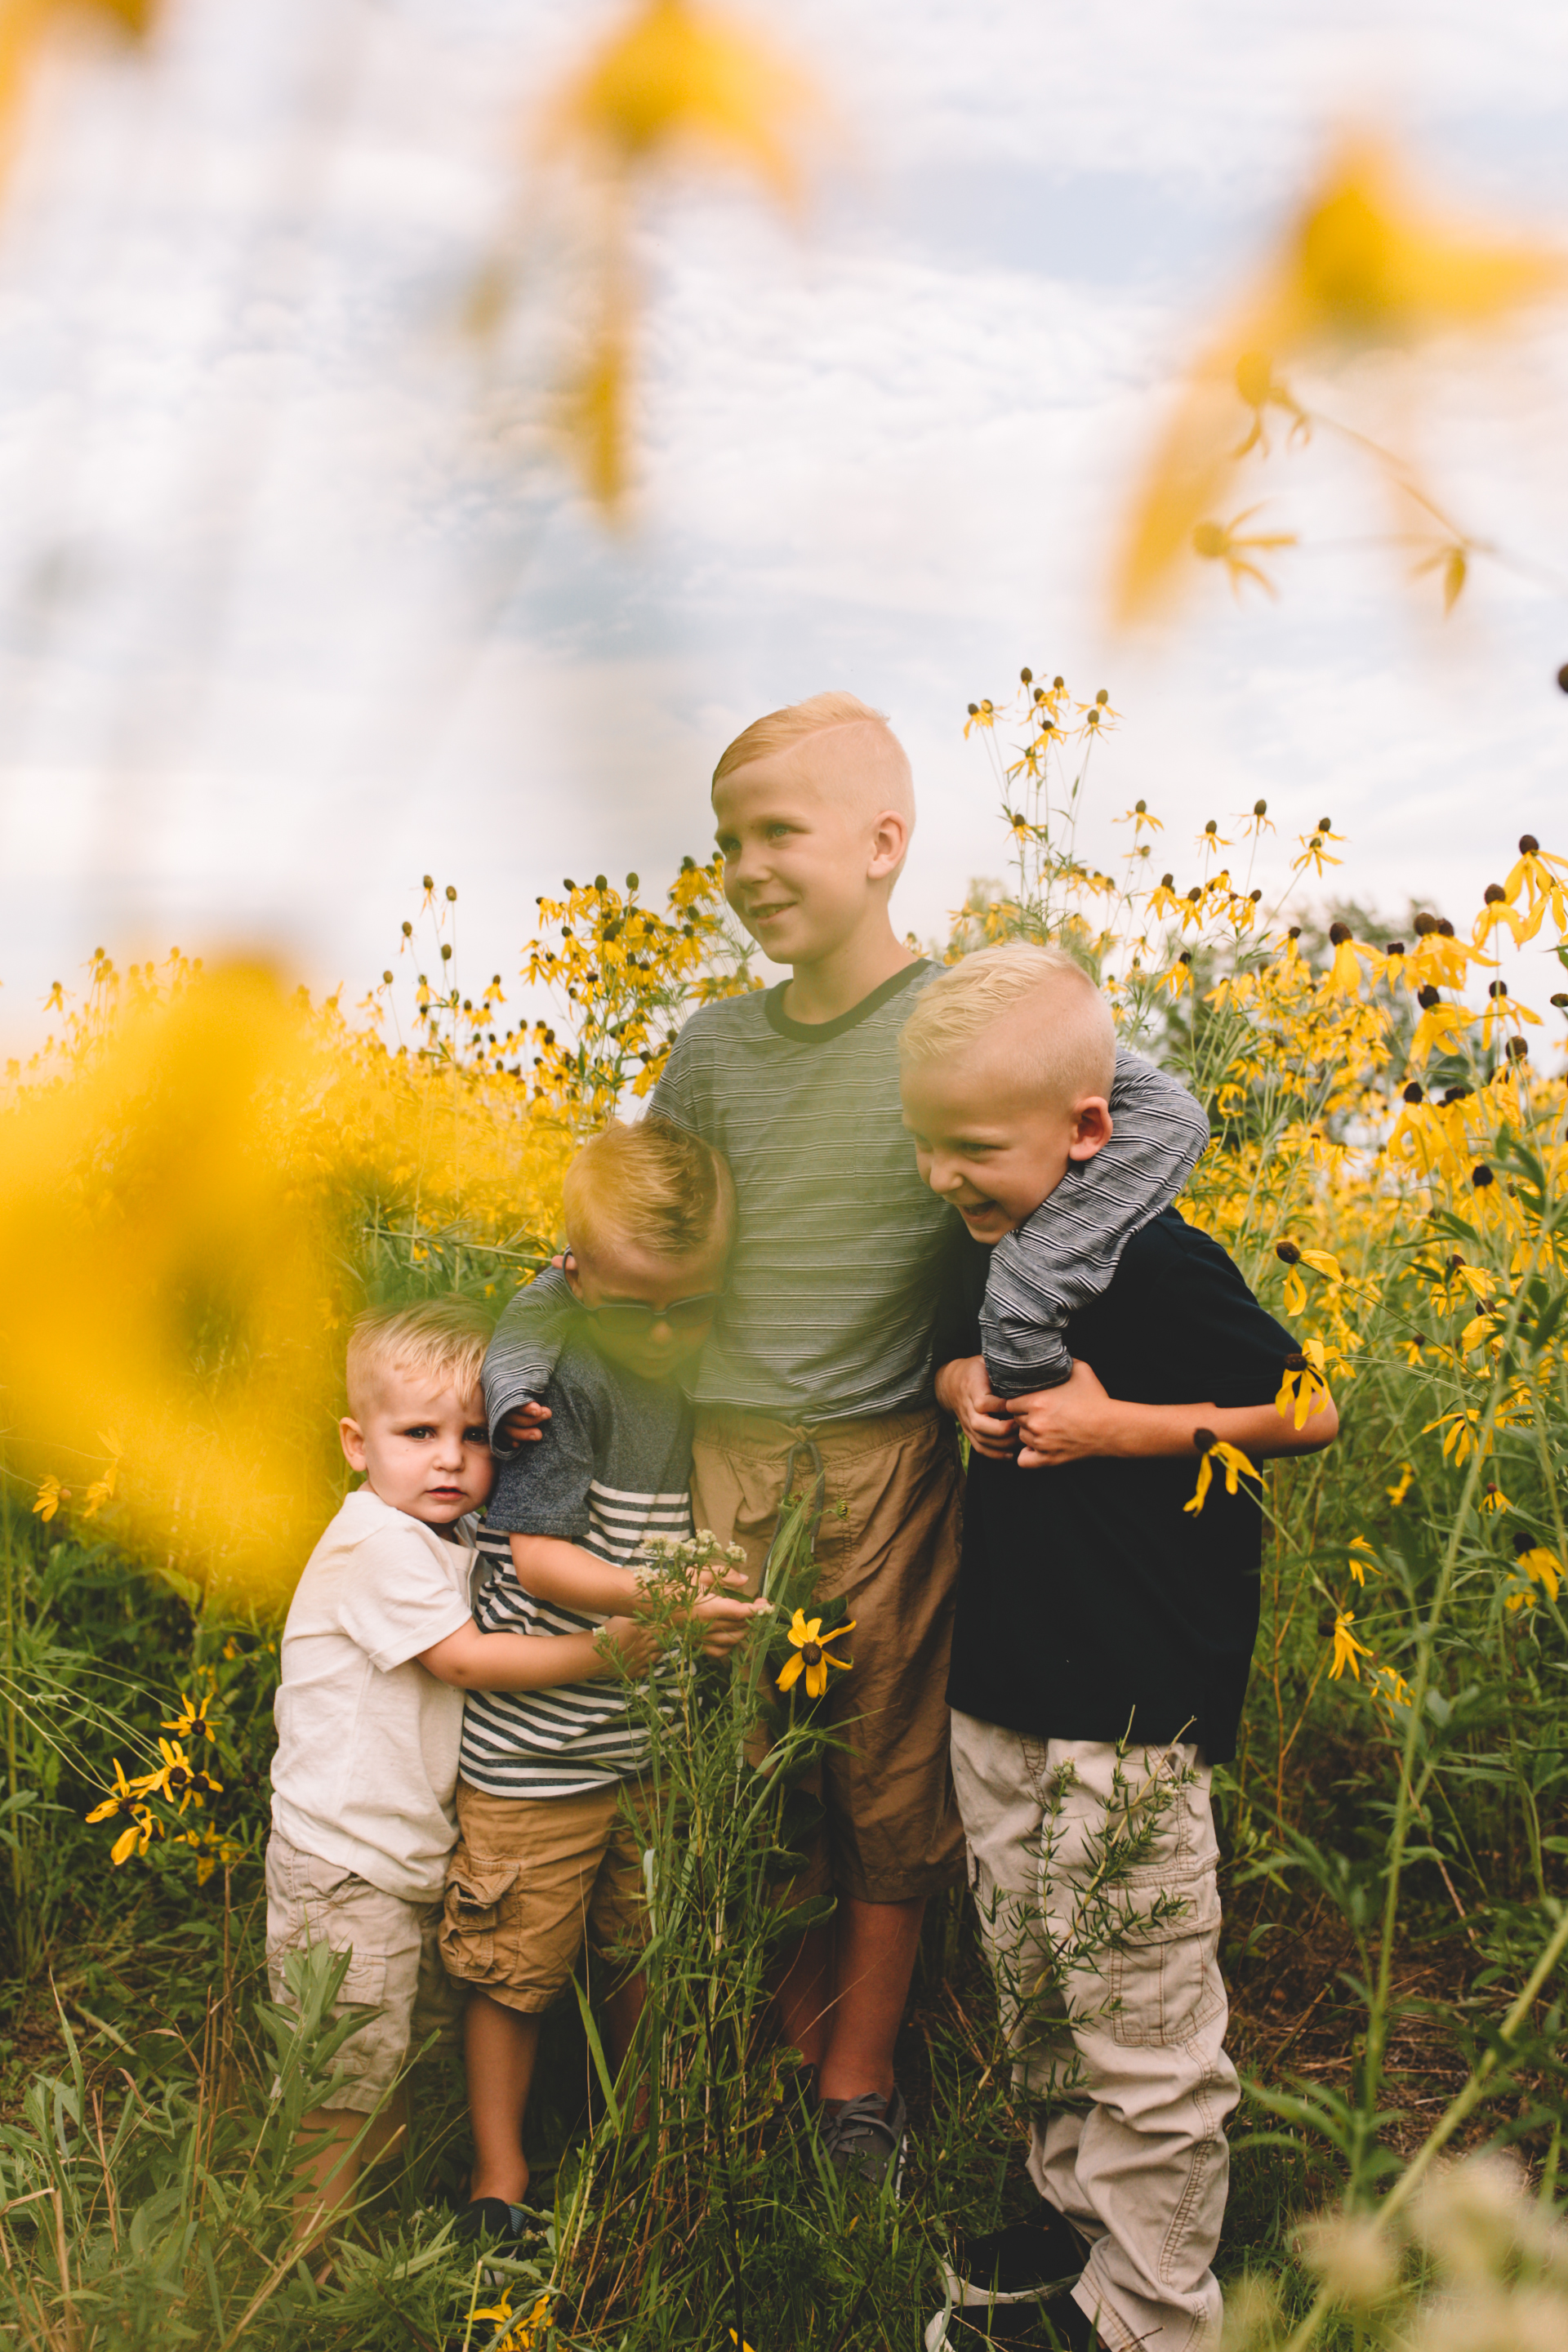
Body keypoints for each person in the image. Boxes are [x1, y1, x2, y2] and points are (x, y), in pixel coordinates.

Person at [484, 692, 1208, 2189]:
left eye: (778, 834)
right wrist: (522, 1346)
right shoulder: (714, 1051)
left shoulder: (952, 1025)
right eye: (725, 842)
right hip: (719, 1463)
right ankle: (723, 2060)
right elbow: (626, 1225)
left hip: (887, 1465)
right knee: (732, 1771)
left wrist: (996, 1334)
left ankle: (857, 2080)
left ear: (885, 845)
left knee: (884, 1773)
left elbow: (1149, 1116)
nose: (745, 867)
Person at [899, 946, 1340, 2352]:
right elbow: (941, 1356)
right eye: (926, 1149)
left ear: (1088, 1130)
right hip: (1009, 1690)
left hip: (1137, 1708)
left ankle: (1154, 2314)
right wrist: (971, 1384)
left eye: (971, 1150)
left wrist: (1121, 1428)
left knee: (1141, 2027)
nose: (943, 1181)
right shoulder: (1002, 1256)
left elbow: (1308, 1410)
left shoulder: (1153, 1261)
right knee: (1039, 1993)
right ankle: (1077, 2242)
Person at [442, 1120, 767, 2241]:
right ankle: (499, 2176)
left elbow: (671, 1535)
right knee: (514, 1964)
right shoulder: (554, 1387)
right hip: (536, 1755)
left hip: (649, 1745)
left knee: (643, 1948)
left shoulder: (688, 1370)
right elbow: (539, 1559)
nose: (667, 1332)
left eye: (694, 1305)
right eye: (638, 1308)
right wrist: (666, 1604)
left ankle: (641, 2141)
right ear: (573, 1278)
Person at [268, 1298, 634, 2238]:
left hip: (392, 1862)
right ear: (356, 1442)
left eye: (476, 1436)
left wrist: (556, 1291)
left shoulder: (444, 1539)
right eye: (418, 1432)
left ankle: (361, 2219)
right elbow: (467, 1660)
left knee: (381, 2056)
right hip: (343, 1866)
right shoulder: (374, 1546)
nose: (449, 1458)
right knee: (342, 2071)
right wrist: (615, 1651)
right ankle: (308, 2253)